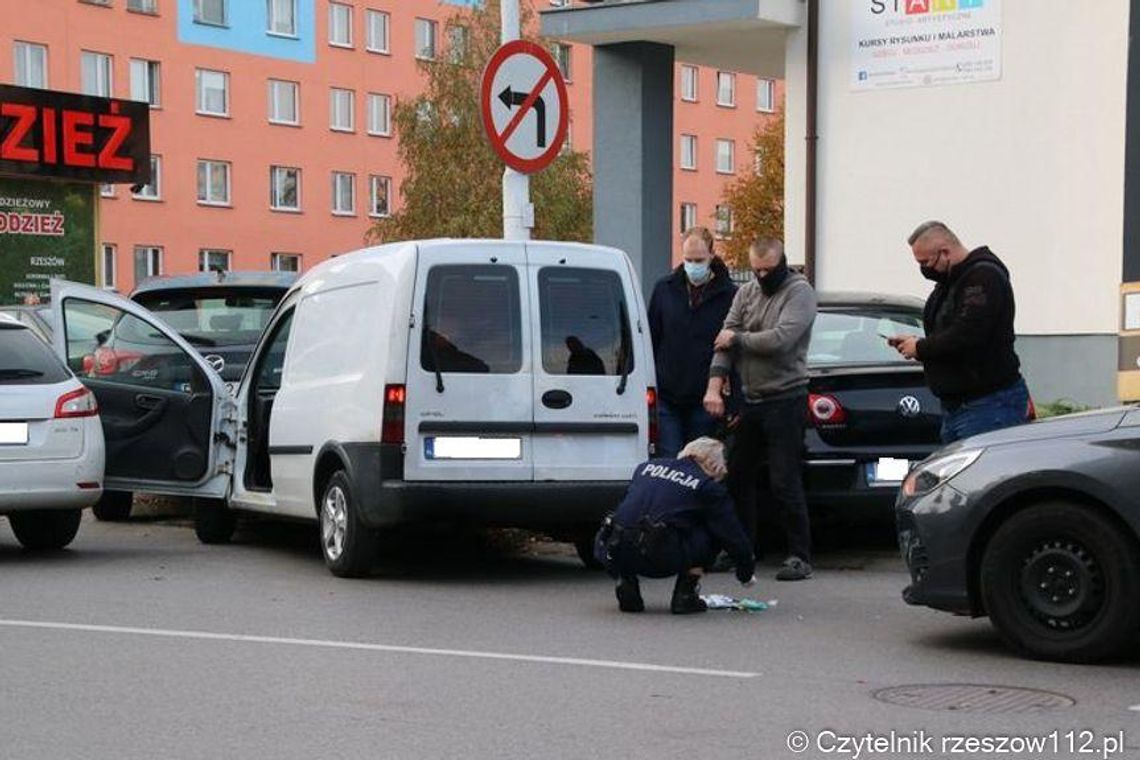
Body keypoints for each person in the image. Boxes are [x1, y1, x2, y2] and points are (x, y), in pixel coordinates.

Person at [704, 239, 817, 582]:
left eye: (769, 269)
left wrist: (737, 340)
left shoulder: (799, 293)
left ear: (782, 262)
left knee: (784, 480)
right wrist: (715, 383)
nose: (763, 275)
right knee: (737, 476)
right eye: (757, 270)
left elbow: (782, 340)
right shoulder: (746, 292)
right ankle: (742, 547)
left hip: (786, 398)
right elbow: (723, 339)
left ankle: (799, 555)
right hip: (751, 399)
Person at [889, 221, 1028, 443]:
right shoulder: (950, 281)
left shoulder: (982, 278)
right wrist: (918, 343)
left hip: (987, 404)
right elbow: (949, 330)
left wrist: (921, 348)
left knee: (982, 475)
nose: (924, 269)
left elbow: (968, 334)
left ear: (945, 252)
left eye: (925, 262)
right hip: (957, 405)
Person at [594, 437, 755, 614]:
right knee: (714, 530)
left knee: (627, 522)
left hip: (613, 549)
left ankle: (625, 581)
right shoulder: (707, 487)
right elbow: (732, 534)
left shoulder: (645, 468)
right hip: (660, 556)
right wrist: (745, 572)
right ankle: (685, 595)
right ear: (713, 465)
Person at [647, 226, 737, 458]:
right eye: (688, 259)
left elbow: (734, 352)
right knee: (670, 461)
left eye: (699, 259)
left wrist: (734, 399)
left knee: (700, 464)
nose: (693, 265)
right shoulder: (664, 290)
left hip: (706, 398)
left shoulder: (729, 295)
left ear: (711, 255)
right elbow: (652, 339)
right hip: (668, 395)